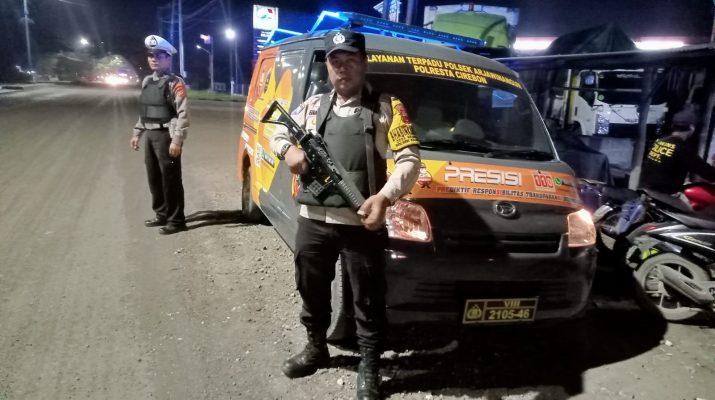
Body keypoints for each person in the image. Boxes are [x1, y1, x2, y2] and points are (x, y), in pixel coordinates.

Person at [270, 29, 420, 400]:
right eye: (335, 61)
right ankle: (316, 347)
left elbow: (409, 160)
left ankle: (369, 364)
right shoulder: (313, 106)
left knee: (367, 297)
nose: (342, 68)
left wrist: (384, 198)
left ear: (364, 63)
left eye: (350, 60)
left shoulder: (386, 108)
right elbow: (277, 132)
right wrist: (288, 151)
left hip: (361, 223)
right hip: (314, 220)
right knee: (311, 286)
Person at [130, 35, 190, 235]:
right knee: (154, 178)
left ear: (168, 58)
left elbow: (183, 114)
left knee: (171, 180)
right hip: (150, 135)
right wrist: (137, 132)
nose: (154, 59)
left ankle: (176, 220)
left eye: (159, 55)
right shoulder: (147, 81)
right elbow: (145, 110)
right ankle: (162, 214)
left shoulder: (175, 83)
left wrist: (177, 140)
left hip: (167, 136)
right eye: (151, 55)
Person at [641, 109, 715, 195]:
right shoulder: (682, 147)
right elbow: (705, 171)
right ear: (692, 128)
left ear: (672, 125)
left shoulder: (660, 140)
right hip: (665, 195)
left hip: (647, 189)